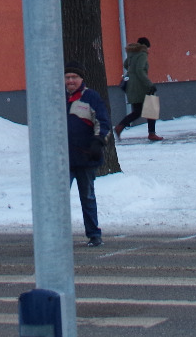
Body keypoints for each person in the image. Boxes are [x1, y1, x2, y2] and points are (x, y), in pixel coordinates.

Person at [64, 61, 111, 246]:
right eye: (67, 77)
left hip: (85, 158)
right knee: (58, 200)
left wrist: (98, 142)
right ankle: (57, 236)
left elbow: (102, 122)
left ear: (81, 78)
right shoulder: (56, 98)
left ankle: (94, 234)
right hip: (62, 160)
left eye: (74, 77)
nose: (70, 81)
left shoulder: (91, 97)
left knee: (88, 197)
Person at [113, 37, 163, 141]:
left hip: (132, 85)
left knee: (139, 110)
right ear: (145, 46)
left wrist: (132, 73)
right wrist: (149, 84)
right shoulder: (142, 54)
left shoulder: (132, 54)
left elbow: (126, 64)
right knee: (151, 107)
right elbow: (140, 70)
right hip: (141, 85)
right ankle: (151, 134)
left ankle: (120, 127)